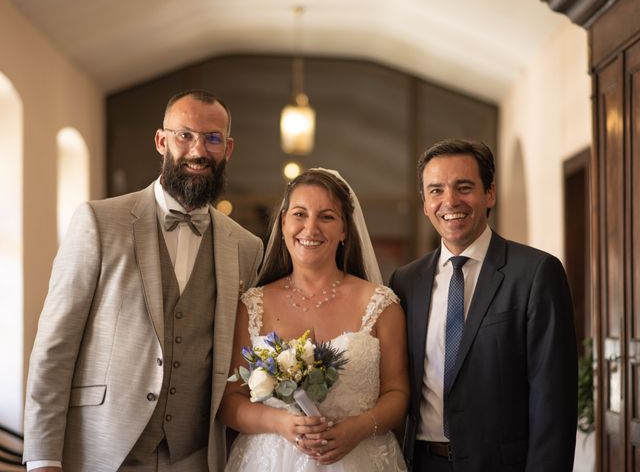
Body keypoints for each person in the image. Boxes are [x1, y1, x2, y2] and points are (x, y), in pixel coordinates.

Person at [23, 89, 264, 472]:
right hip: (100, 449)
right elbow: (55, 347)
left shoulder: (247, 247)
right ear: (161, 140)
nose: (198, 150)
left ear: (228, 148)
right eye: (185, 135)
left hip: (197, 457)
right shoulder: (100, 222)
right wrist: (42, 458)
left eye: (212, 138)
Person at [390, 138, 578, 471]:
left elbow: (554, 403)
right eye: (435, 190)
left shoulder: (535, 273)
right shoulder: (405, 281)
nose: (449, 201)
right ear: (424, 202)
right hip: (420, 463)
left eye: (464, 187)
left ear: (489, 193)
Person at [219, 168, 409, 471]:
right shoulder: (252, 304)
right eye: (299, 214)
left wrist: (357, 429)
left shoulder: (380, 304)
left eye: (327, 217)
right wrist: (281, 423)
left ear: (345, 229)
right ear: (283, 223)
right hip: (269, 460)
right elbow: (230, 401)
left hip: (360, 458)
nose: (311, 228)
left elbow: (397, 394)